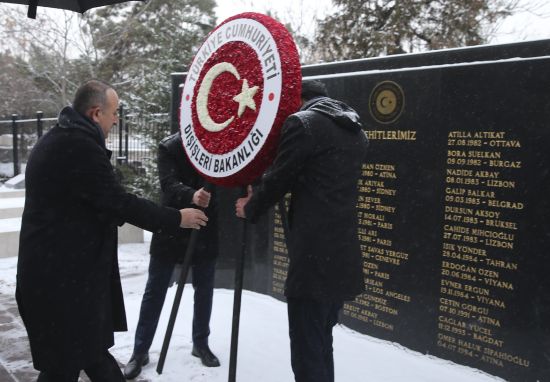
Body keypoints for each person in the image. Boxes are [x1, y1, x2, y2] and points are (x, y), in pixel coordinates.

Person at [16, 80, 208, 382]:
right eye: (114, 112)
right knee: (69, 365)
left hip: (60, 279)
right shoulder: (77, 147)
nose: (116, 119)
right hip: (61, 283)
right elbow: (118, 202)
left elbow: (97, 202)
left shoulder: (62, 138)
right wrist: (177, 218)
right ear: (95, 113)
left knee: (80, 360)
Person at [235, 80, 368, 382]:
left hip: (313, 259)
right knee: (322, 342)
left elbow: (281, 178)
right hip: (342, 256)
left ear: (298, 100)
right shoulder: (354, 128)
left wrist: (251, 206)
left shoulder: (303, 123)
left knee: (307, 351)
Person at [123, 132, 220, 379]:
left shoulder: (216, 144)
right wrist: (192, 194)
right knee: (155, 290)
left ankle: (201, 343)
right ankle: (140, 350)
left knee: (205, 287)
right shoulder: (169, 146)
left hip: (205, 224)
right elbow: (168, 183)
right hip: (172, 224)